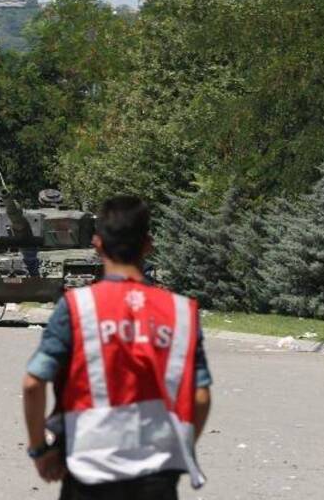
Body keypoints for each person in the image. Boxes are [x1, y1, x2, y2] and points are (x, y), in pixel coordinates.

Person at [22, 196, 212, 500]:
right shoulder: (181, 311)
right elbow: (200, 396)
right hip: (158, 470)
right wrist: (181, 447)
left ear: (97, 244)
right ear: (148, 244)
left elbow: (33, 382)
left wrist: (40, 450)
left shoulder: (77, 306)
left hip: (89, 466)